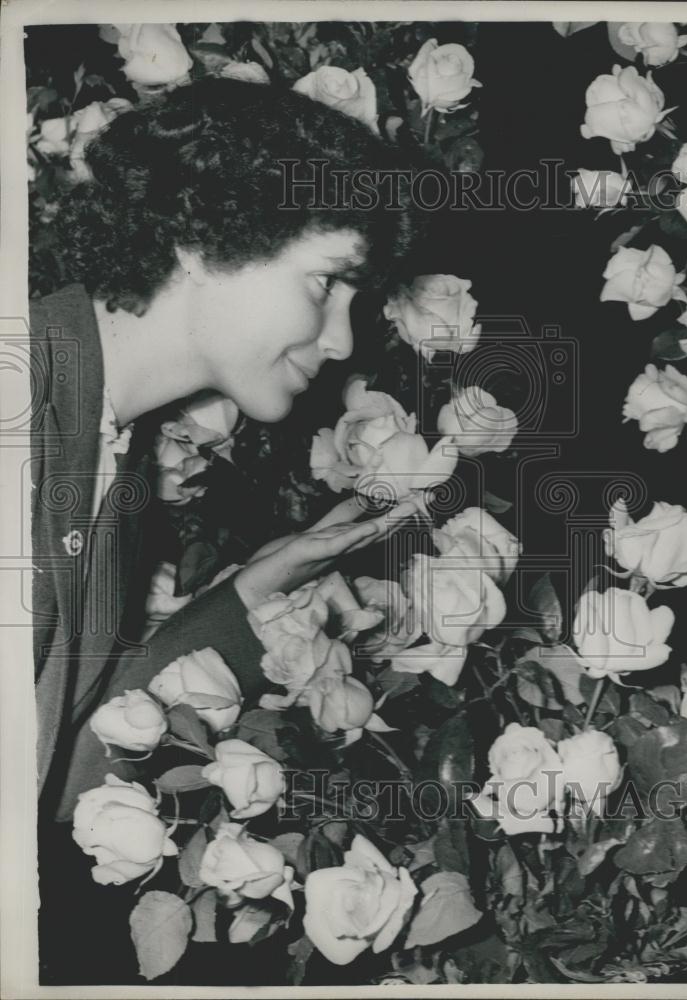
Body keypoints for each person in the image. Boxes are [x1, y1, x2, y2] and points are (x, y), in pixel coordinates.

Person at [31, 78, 422, 981]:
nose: (343, 341)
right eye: (327, 282)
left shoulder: (109, 445)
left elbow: (61, 758)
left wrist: (252, 589)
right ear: (206, 238)